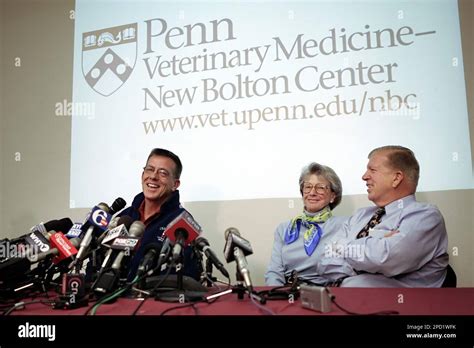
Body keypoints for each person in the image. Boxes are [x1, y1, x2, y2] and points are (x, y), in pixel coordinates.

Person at [320, 145, 449, 287]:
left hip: (403, 306)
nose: (364, 177)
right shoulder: (360, 215)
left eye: (373, 170)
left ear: (396, 178)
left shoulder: (426, 217)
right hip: (348, 300)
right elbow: (324, 260)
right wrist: (359, 270)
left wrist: (340, 247)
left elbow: (385, 258)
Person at [120, 148, 200, 281]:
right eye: (149, 170)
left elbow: (185, 277)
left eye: (163, 173)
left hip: (149, 299)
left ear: (175, 184)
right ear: (142, 175)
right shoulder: (125, 216)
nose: (153, 177)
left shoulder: (182, 222)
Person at [265, 162, 350, 286]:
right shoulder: (284, 229)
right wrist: (275, 296)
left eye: (320, 187)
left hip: (325, 294)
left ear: (333, 195)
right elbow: (274, 272)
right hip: (288, 292)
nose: (312, 192)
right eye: (308, 186)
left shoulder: (345, 225)